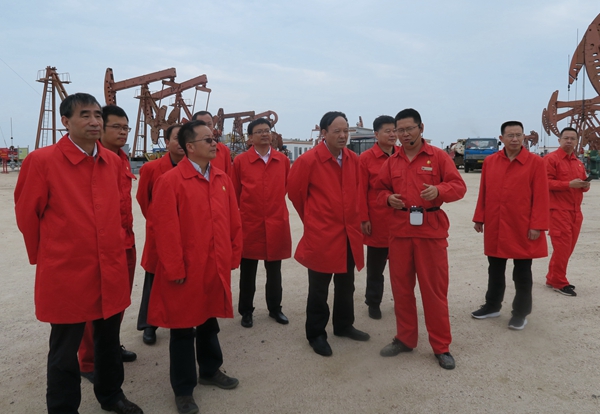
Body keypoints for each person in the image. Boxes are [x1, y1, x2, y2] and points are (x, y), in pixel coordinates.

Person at [14, 93, 143, 414]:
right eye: (85, 115)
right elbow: (27, 215)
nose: (94, 121)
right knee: (64, 347)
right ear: (65, 121)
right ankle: (63, 408)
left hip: (109, 265)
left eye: (98, 115)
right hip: (67, 270)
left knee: (108, 339)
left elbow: (118, 211)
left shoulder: (112, 161)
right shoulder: (42, 161)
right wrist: (48, 256)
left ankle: (111, 395)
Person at [147, 120, 242, 414]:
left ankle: (210, 370)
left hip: (214, 264)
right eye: (208, 140)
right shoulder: (171, 181)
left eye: (214, 139)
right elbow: (164, 230)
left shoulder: (222, 178)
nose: (215, 144)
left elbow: (234, 220)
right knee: (182, 328)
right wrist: (174, 268)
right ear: (189, 147)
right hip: (186, 269)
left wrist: (233, 254)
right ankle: (183, 389)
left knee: (209, 320)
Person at [377, 108, 466, 370]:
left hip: (430, 233)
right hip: (400, 232)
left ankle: (441, 346)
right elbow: (378, 189)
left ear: (421, 128)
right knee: (402, 290)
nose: (404, 134)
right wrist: (387, 199)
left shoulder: (438, 157)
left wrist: (439, 190)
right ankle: (405, 339)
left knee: (434, 291)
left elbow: (458, 187)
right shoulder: (392, 162)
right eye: (399, 130)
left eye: (409, 129)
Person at [288, 111, 369, 357]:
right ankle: (316, 334)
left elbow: (358, 192)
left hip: (349, 233)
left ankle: (344, 325)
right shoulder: (309, 161)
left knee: (346, 284)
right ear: (324, 133)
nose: (343, 135)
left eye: (346, 131)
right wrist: (314, 220)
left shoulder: (353, 159)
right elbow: (296, 194)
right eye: (337, 131)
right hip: (322, 234)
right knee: (319, 288)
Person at [78, 105, 138, 383]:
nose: (123, 132)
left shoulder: (122, 159)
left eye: (126, 128)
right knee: (93, 307)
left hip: (125, 241)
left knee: (118, 303)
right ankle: (89, 361)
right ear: (101, 128)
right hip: (99, 247)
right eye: (117, 127)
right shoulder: (91, 161)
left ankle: (110, 348)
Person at [471, 120, 549, 330]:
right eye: (510, 135)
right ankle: (492, 305)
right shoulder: (491, 161)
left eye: (518, 135)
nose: (515, 139)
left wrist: (537, 225)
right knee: (495, 268)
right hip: (496, 223)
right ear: (501, 138)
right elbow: (484, 191)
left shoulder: (535, 162)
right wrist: (480, 217)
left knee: (522, 271)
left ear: (523, 137)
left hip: (522, 224)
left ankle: (520, 312)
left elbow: (541, 196)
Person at [231, 118, 291, 328]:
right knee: (248, 271)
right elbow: (234, 193)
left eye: (267, 130)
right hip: (250, 223)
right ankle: (246, 311)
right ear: (250, 138)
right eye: (259, 131)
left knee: (274, 270)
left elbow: (285, 187)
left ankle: (275, 308)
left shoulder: (282, 160)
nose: (265, 134)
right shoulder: (240, 161)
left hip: (276, 222)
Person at [136, 123, 184, 345]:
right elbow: (143, 199)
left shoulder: (193, 168)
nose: (181, 143)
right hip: (159, 233)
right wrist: (158, 222)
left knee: (182, 280)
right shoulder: (151, 168)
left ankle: (181, 322)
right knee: (153, 279)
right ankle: (149, 324)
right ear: (166, 142)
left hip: (186, 233)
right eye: (176, 138)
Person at [358, 115, 399, 319]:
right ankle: (373, 302)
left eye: (395, 130)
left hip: (401, 221)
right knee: (376, 268)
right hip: (378, 221)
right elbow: (360, 191)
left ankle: (402, 302)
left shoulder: (403, 155)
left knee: (402, 268)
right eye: (387, 131)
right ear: (376, 134)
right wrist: (364, 218)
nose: (393, 135)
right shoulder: (366, 159)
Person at [544, 127, 590, 296]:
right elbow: (544, 183)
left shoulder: (578, 162)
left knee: (568, 248)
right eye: (566, 138)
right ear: (559, 140)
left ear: (577, 142)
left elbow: (582, 186)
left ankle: (552, 277)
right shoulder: (551, 159)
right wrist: (568, 184)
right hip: (558, 211)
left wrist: (584, 185)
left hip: (576, 211)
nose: (569, 141)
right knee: (562, 247)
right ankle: (559, 281)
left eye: (572, 138)